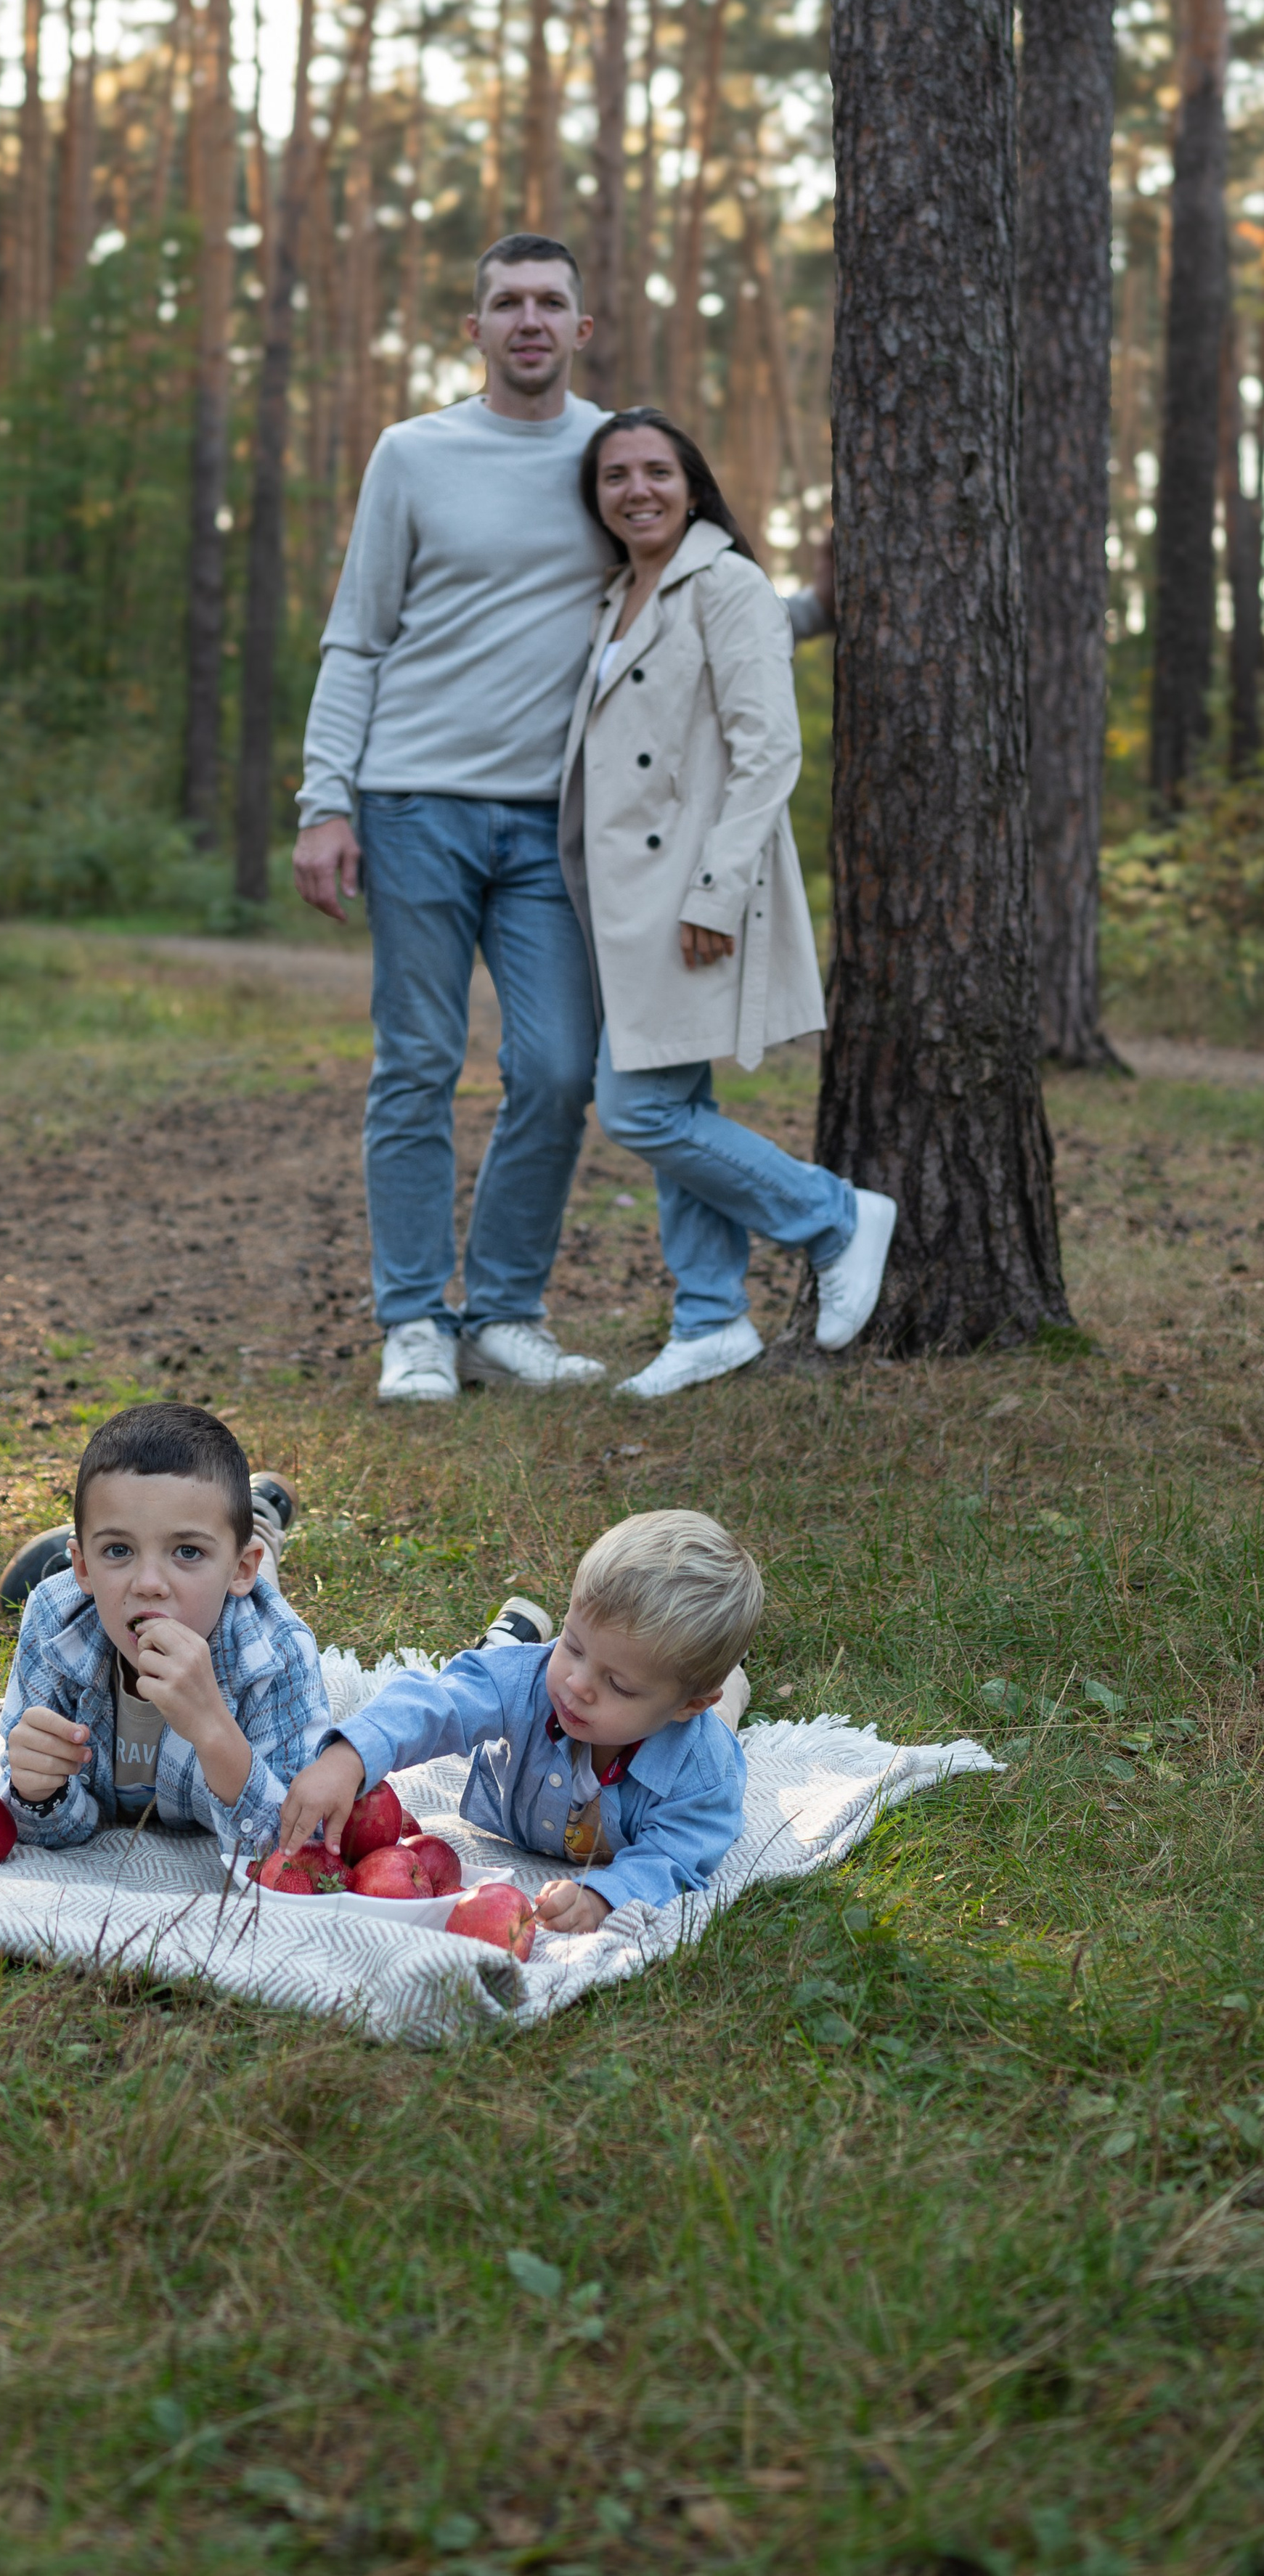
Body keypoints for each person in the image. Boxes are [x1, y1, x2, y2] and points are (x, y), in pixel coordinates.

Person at [293, 234, 838, 1411]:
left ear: (582, 328)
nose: (528, 319)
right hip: (414, 804)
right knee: (419, 1066)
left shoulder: (609, 456)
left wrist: (806, 607)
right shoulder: (414, 454)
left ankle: (503, 1314)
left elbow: (675, 593)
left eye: (550, 302)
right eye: (505, 302)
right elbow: (357, 636)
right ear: (474, 327)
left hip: (557, 830)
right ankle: (414, 1327)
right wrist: (325, 800)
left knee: (552, 1072)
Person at [560, 409, 897, 1399]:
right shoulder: (617, 594)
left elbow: (768, 754)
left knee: (638, 1108)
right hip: (620, 899)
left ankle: (835, 1216)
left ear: (695, 486)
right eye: (615, 475)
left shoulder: (729, 582)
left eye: (657, 471)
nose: (637, 489)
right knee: (676, 1101)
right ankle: (710, 1319)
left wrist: (717, 887)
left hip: (690, 892)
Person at [277, 1510, 757, 1935]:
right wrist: (351, 1754)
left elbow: (676, 1856)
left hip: (697, 1729)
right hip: (517, 1676)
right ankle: (514, 1636)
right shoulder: (534, 1681)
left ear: (686, 1703)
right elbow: (440, 1702)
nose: (577, 1683)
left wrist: (606, 1894)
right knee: (493, 1673)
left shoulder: (704, 1775)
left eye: (620, 1685)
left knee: (719, 1724)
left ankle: (729, 1688)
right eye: (573, 1643)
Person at [0, 1402, 326, 1866]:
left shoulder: (277, 1649)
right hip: (193, 1577)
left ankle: (262, 1510)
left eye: (187, 1550)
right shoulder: (55, 1619)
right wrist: (35, 1794)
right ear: (83, 1568)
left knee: (257, 1569)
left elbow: (299, 1849)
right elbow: (44, 1824)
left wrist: (214, 1730)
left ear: (237, 1566)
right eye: (118, 1549)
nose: (149, 1583)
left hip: (238, 1603)